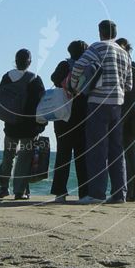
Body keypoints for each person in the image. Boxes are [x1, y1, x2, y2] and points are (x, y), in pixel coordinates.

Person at [69, 20, 132, 204]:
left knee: (97, 149)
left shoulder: (97, 48)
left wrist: (75, 86)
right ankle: (120, 193)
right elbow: (129, 84)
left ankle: (96, 193)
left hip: (97, 102)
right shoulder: (124, 53)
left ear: (100, 32)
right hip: (117, 104)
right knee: (116, 150)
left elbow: (78, 66)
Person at [0, 49, 46, 200]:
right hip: (28, 126)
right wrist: (41, 125)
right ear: (29, 62)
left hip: (10, 124)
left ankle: (3, 188)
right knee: (24, 158)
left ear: (16, 61)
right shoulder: (34, 79)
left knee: (8, 156)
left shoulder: (6, 77)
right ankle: (19, 191)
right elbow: (41, 104)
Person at [49, 40, 90, 202]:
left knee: (62, 155)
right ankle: (84, 192)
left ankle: (60, 192)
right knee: (82, 156)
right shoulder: (87, 67)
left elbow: (54, 78)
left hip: (63, 116)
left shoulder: (64, 65)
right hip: (82, 116)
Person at [116, 38, 135, 202]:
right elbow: (134, 94)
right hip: (128, 116)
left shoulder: (129, 67)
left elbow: (132, 94)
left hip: (122, 115)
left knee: (127, 155)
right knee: (130, 155)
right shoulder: (134, 67)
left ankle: (129, 191)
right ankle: (131, 191)